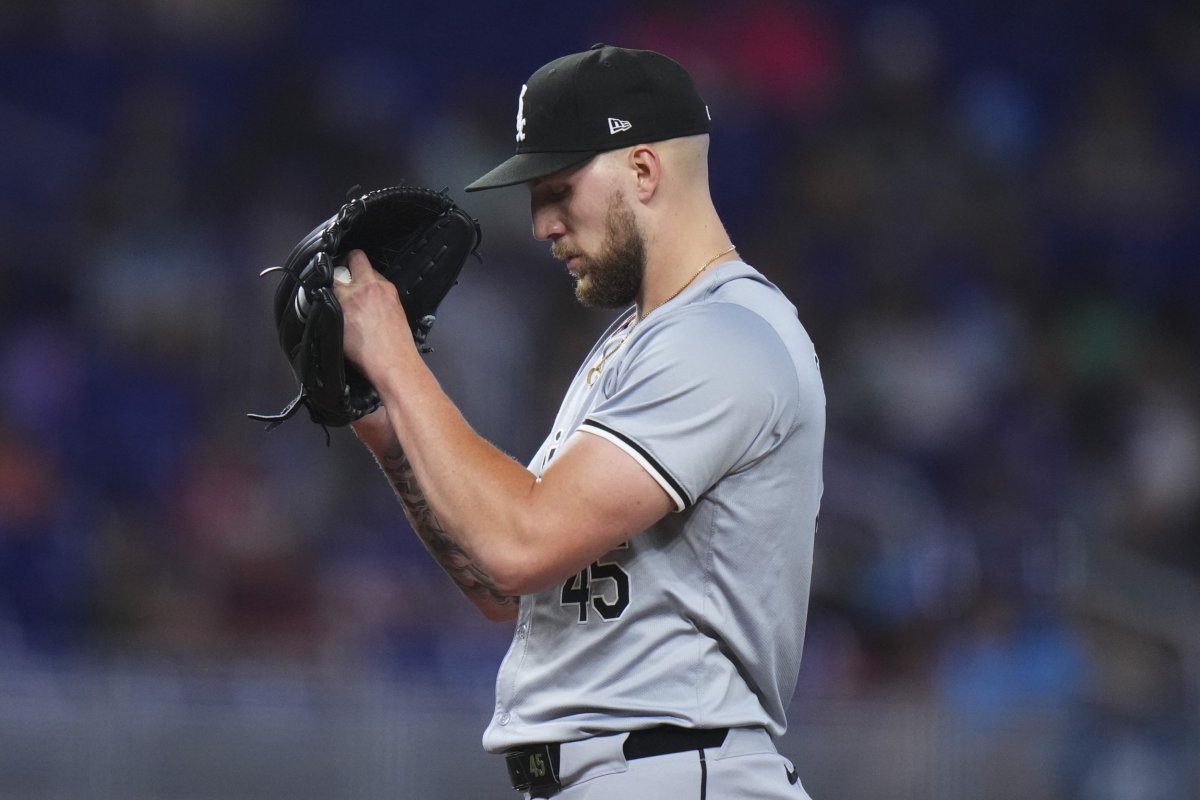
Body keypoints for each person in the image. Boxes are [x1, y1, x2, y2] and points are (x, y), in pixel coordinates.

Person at [334, 44, 825, 800]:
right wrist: (383, 421)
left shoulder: (724, 338)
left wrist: (399, 361)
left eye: (559, 189)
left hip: (672, 771)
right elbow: (501, 585)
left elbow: (517, 547)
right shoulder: (639, 341)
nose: (540, 224)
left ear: (642, 171)